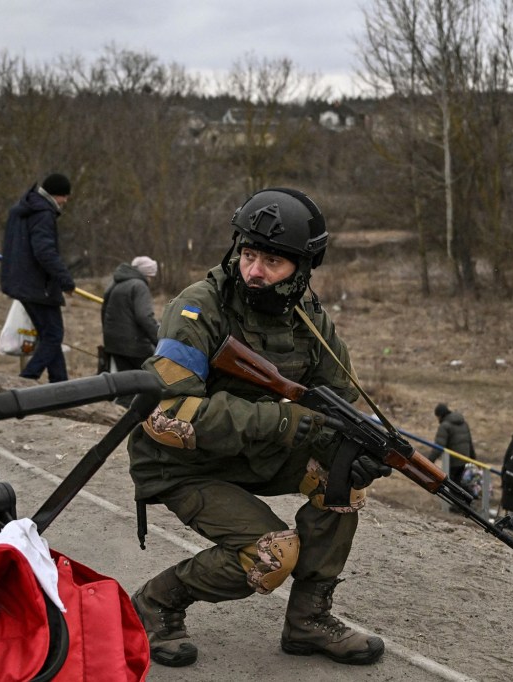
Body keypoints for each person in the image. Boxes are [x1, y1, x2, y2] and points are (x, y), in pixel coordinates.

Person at [126, 188, 391, 669]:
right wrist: (292, 421)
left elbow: (343, 403)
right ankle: (156, 603)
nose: (254, 271)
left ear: (302, 269)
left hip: (252, 456)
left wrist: (371, 444)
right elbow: (168, 417)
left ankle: (309, 620)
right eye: (249, 255)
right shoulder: (196, 309)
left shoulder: (309, 321)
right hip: (182, 464)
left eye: (272, 261)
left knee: (344, 475)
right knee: (272, 554)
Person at [0, 173, 75, 383]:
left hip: (21, 283)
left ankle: (60, 382)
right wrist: (65, 280)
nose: (65, 201)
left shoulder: (23, 209)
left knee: (48, 335)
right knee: (53, 336)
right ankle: (26, 379)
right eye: (64, 196)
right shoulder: (43, 213)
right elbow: (45, 252)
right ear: (55, 194)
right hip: (38, 286)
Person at [101, 255, 160, 373]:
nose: (151, 280)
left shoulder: (115, 283)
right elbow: (144, 317)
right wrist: (160, 340)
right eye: (151, 276)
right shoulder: (139, 286)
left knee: (126, 383)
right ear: (146, 274)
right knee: (153, 376)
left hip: (113, 344)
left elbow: (104, 311)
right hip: (134, 346)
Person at [428, 403, 475, 487]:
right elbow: (469, 442)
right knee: (459, 483)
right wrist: (473, 458)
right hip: (464, 458)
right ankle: (460, 498)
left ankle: (455, 499)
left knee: (452, 485)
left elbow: (439, 447)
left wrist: (429, 462)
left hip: (453, 461)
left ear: (440, 415)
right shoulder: (464, 423)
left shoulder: (444, 426)